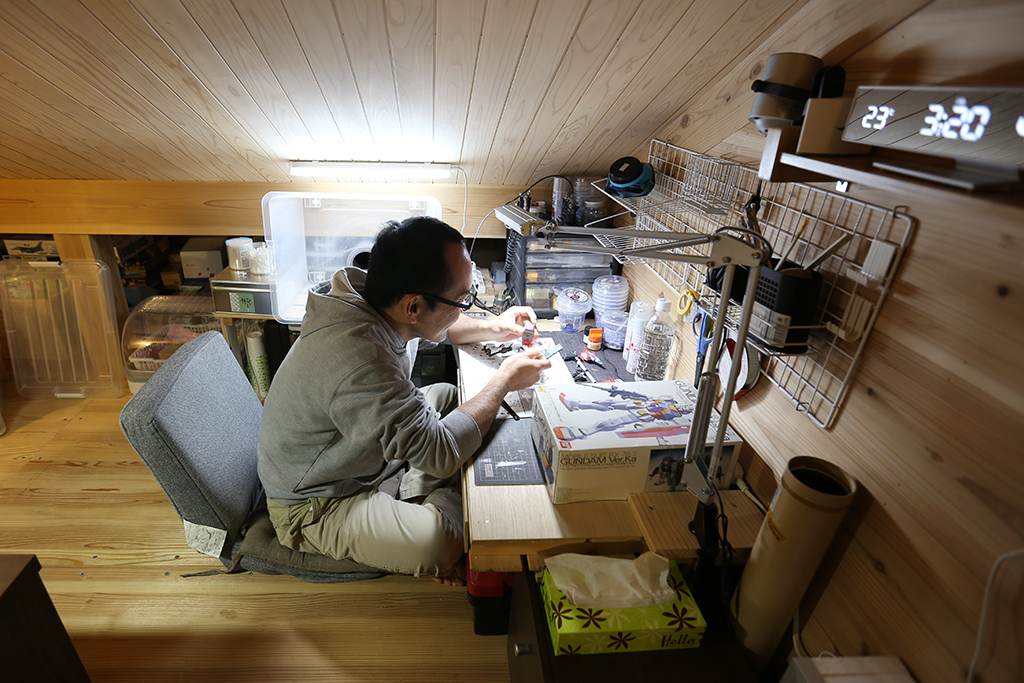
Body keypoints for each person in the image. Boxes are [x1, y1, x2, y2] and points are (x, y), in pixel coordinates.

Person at [257, 216, 550, 585]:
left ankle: (412, 497)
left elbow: (438, 324)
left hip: (358, 458)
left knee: (446, 396)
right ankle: (421, 506)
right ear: (413, 306)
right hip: (316, 501)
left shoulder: (374, 295)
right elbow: (440, 453)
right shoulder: (359, 357)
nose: (466, 306)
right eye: (463, 299)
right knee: (438, 543)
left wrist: (495, 325)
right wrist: (504, 380)